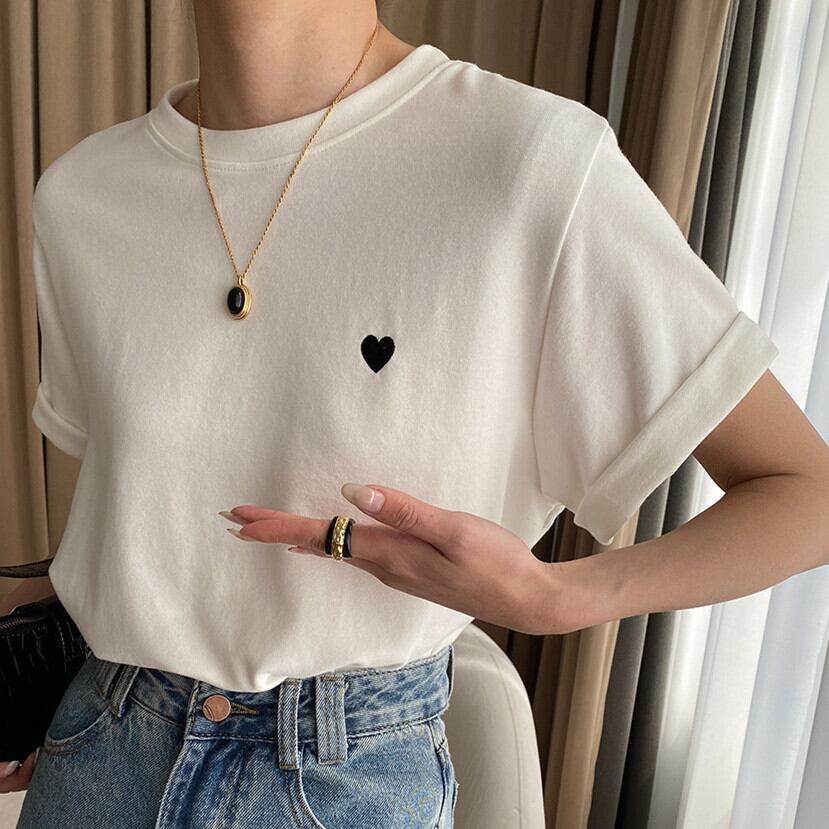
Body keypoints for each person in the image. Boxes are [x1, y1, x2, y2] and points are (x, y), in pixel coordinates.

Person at [6, 0, 829, 826]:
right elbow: (133, 510)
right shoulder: (82, 197)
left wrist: (556, 597)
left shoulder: (527, 162)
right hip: (95, 755)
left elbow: (805, 492)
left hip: (343, 787)